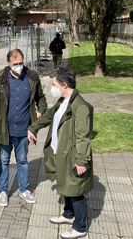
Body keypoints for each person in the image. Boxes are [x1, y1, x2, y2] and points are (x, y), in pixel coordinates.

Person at [27, 67, 93, 239]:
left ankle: (79, 227)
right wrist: (33, 127)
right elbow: (49, 116)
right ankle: (68, 214)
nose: (52, 88)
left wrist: (81, 160)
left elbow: (83, 137)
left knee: (75, 190)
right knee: (65, 184)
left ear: (64, 85)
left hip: (73, 155)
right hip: (61, 152)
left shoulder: (80, 107)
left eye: (54, 84)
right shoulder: (63, 101)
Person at [0, 49, 47, 206]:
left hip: (25, 129)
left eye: (21, 63)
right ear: (9, 63)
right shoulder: (0, 78)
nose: (19, 66)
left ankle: (24, 189)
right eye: (15, 64)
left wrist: (40, 111)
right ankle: (3, 190)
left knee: (22, 160)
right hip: (5, 129)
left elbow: (41, 98)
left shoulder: (32, 77)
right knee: (3, 160)